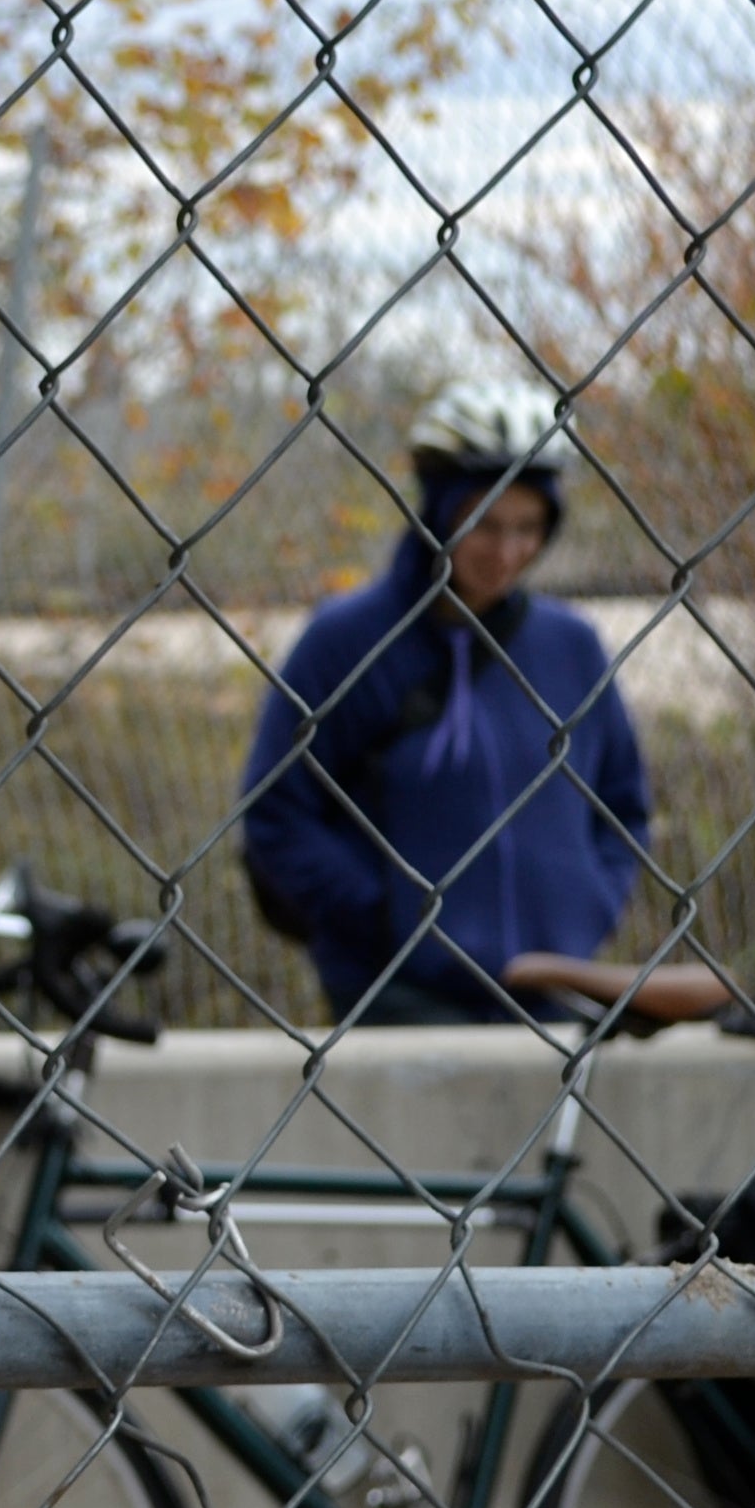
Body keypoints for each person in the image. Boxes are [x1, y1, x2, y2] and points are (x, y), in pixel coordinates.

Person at [236, 380, 657, 1026]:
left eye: (528, 527)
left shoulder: (571, 647)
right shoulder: (347, 641)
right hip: (398, 997)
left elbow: (622, 802)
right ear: (439, 513)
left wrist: (587, 903)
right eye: (483, 525)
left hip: (551, 992)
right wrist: (393, 915)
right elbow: (276, 813)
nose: (507, 552)